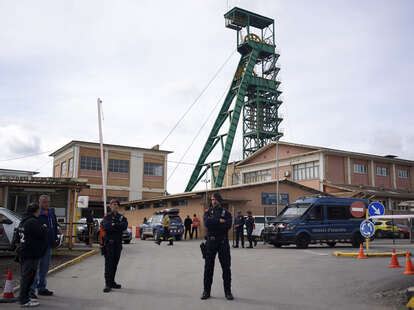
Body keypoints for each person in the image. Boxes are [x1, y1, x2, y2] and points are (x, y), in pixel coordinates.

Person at [201, 192, 234, 301]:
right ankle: (206, 291)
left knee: (226, 268)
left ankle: (228, 292)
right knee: (208, 268)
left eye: (215, 199)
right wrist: (219, 221)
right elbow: (207, 223)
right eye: (212, 199)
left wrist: (215, 223)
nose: (213, 201)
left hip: (223, 243)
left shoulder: (227, 213)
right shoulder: (208, 212)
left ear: (219, 200)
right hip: (211, 243)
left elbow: (228, 225)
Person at [18, 203, 48, 307]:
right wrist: (44, 228)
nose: (40, 212)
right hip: (30, 253)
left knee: (27, 276)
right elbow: (41, 234)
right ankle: (24, 300)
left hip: (25, 252)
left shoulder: (24, 221)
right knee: (28, 277)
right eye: (39, 210)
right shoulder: (32, 222)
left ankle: (25, 297)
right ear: (36, 211)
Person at [30, 195, 58, 298]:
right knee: (35, 268)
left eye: (48, 202)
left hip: (48, 245)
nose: (46, 204)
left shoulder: (51, 213)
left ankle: (42, 288)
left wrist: (55, 238)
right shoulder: (36, 214)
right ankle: (31, 290)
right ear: (39, 202)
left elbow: (54, 226)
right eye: (44, 202)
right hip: (38, 245)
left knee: (44, 268)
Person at [102, 199, 128, 293]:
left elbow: (124, 226)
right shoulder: (107, 217)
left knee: (114, 264)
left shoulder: (122, 217)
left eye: (116, 204)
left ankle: (112, 282)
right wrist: (117, 226)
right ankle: (107, 284)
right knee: (108, 264)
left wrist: (114, 225)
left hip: (118, 244)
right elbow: (106, 227)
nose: (115, 205)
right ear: (110, 206)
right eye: (113, 204)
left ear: (118, 206)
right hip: (109, 244)